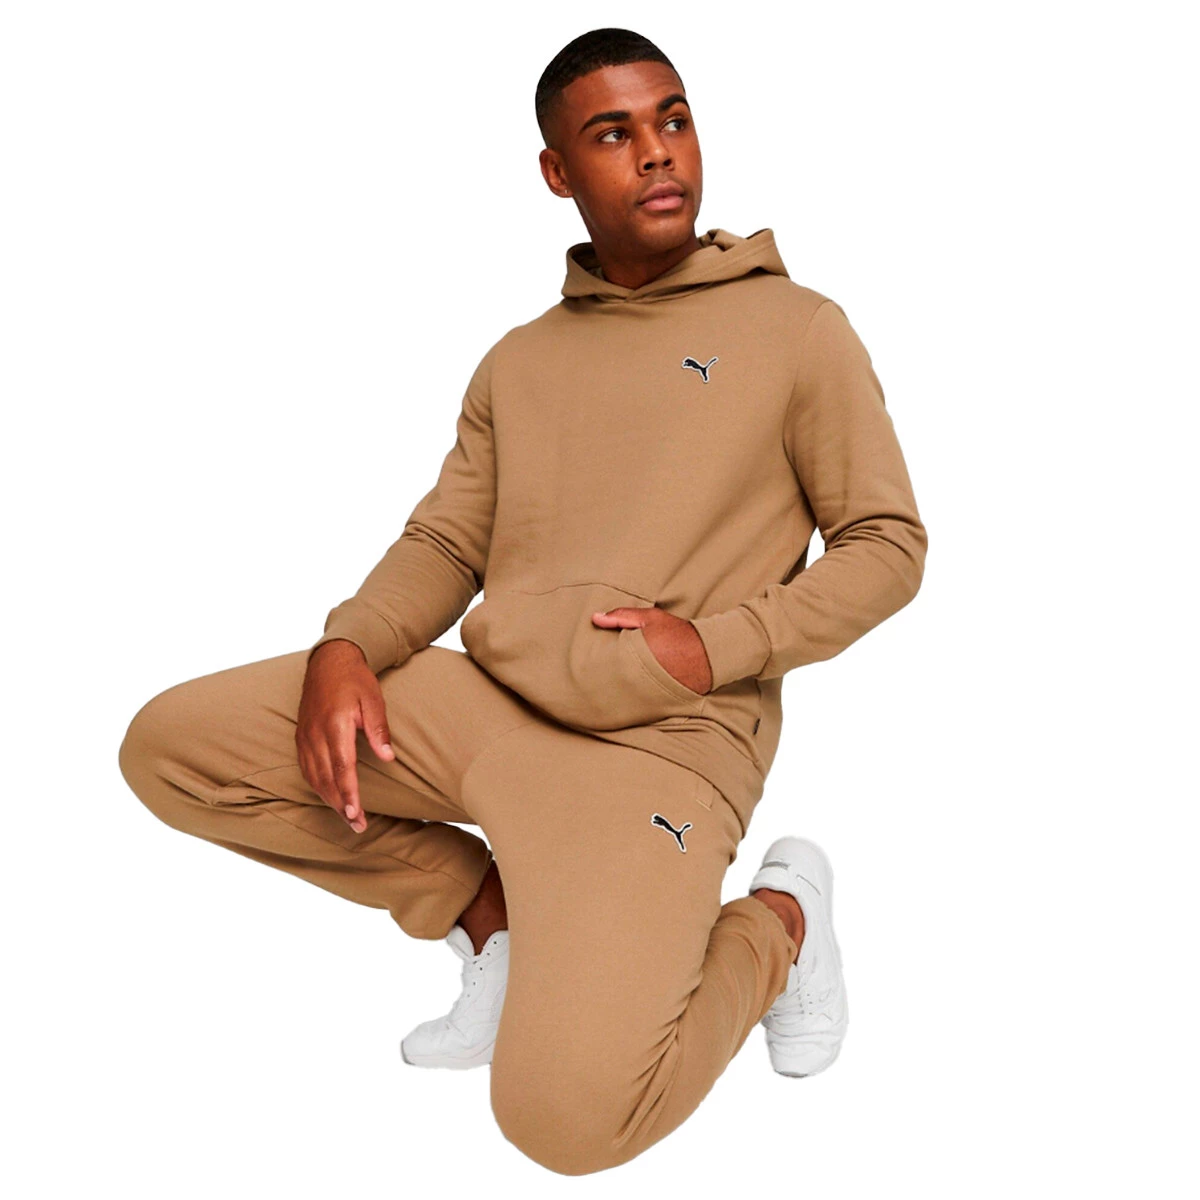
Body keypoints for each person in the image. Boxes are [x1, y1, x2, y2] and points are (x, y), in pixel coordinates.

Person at [118, 27, 927, 1176]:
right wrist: (348, 646)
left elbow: (887, 544)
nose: (658, 152)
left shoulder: (797, 331)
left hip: (658, 751)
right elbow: (449, 541)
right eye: (614, 133)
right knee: (174, 749)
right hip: (485, 715)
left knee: (566, 1122)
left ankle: (780, 927)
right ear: (557, 170)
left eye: (674, 120)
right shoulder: (519, 359)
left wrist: (715, 647)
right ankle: (487, 914)